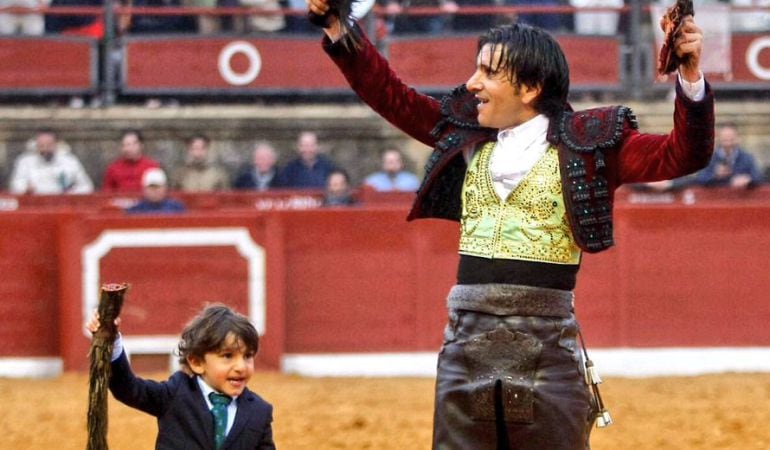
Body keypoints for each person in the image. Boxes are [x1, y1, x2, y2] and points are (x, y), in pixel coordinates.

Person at [307, 3, 713, 448]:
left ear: (531, 87)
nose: (471, 83)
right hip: (465, 343)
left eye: (488, 72)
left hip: (547, 350)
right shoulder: (466, 134)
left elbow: (683, 153)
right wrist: (336, 25)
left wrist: (689, 79)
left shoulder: (587, 144)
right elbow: (390, 94)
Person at [85, 303, 275, 449]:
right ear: (197, 362)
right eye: (227, 356)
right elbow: (128, 389)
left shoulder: (260, 411)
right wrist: (112, 343)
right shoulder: (175, 393)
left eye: (248, 356)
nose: (241, 366)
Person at [8, 130, 94, 195]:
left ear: (55, 145)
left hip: (64, 205)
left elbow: (87, 187)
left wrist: (71, 193)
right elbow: (15, 185)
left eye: (49, 145)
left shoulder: (70, 161)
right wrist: (26, 189)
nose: (45, 149)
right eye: (41, 146)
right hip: (35, 204)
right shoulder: (25, 161)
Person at [694, 123, 764, 189]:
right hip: (717, 199)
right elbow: (699, 179)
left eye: (731, 138)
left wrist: (748, 179)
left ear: (737, 138)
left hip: (741, 199)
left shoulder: (747, 158)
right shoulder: (709, 159)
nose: (728, 141)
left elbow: (759, 177)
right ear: (719, 138)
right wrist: (715, 174)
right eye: (725, 138)